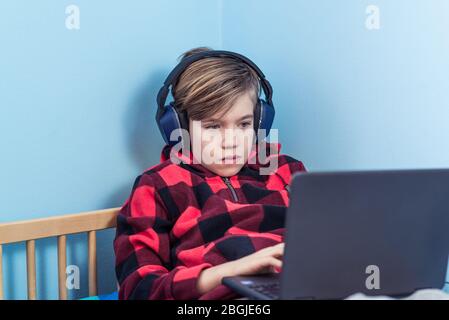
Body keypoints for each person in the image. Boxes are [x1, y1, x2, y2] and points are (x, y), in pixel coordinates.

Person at [114, 47, 306, 299]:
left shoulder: (287, 171)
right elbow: (138, 289)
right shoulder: (156, 186)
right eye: (213, 126)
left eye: (244, 124)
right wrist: (228, 272)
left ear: (261, 121)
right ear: (180, 126)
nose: (231, 142)